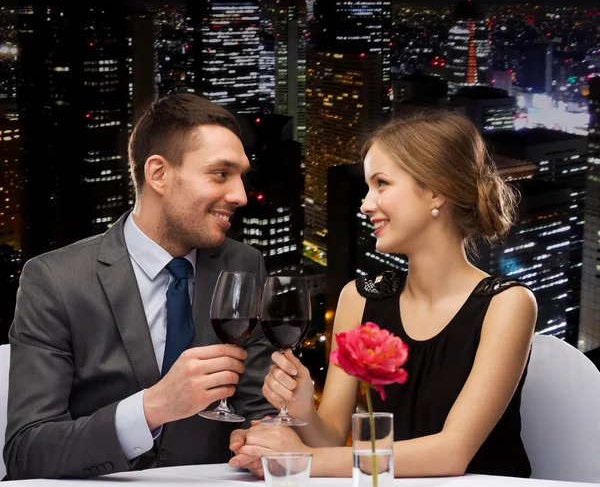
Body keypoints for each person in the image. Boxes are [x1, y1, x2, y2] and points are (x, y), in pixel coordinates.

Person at [232, 110, 538, 478]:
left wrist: (301, 459)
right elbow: (330, 437)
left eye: (381, 184)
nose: (365, 203)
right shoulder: (358, 298)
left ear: (436, 190)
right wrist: (302, 412)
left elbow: (451, 453)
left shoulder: (507, 304)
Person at [4, 94, 274, 479]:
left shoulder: (245, 265)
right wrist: (151, 408)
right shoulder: (54, 280)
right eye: (220, 174)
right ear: (158, 174)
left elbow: (258, 406)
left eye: (242, 176)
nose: (240, 195)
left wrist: (263, 435)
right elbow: (26, 451)